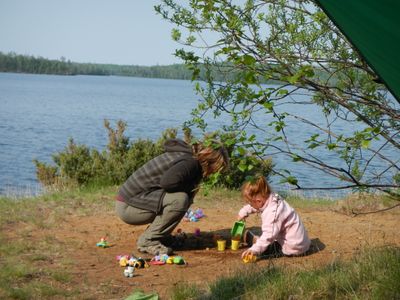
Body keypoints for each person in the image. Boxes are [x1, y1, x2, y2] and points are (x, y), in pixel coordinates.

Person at [116, 138, 229, 256]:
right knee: (180, 200)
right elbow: (168, 183)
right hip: (128, 207)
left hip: (131, 201)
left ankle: (161, 237)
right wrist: (191, 188)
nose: (214, 173)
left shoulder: (186, 155)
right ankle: (148, 241)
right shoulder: (190, 163)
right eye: (215, 168)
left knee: (184, 197)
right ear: (209, 161)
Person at [237, 176, 310, 258]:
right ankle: (258, 241)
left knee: (263, 247)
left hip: (293, 247)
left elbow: (269, 235)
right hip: (301, 242)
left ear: (259, 201)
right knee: (264, 240)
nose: (250, 205)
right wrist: (244, 211)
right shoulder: (273, 197)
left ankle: (257, 243)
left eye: (250, 203)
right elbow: (258, 206)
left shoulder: (272, 212)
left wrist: (254, 250)